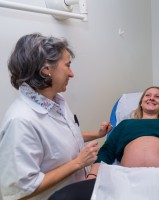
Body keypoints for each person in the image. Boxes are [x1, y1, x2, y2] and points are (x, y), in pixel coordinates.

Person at [0, 33, 112, 200]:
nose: (71, 73)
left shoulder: (56, 101)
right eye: (67, 65)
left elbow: (59, 140)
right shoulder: (20, 121)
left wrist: (97, 134)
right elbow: (20, 191)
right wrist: (79, 163)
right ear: (46, 70)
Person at [49, 86, 159, 200]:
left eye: (157, 97)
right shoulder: (126, 124)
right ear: (141, 102)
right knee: (62, 197)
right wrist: (93, 176)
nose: (152, 98)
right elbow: (107, 151)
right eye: (148, 95)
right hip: (126, 178)